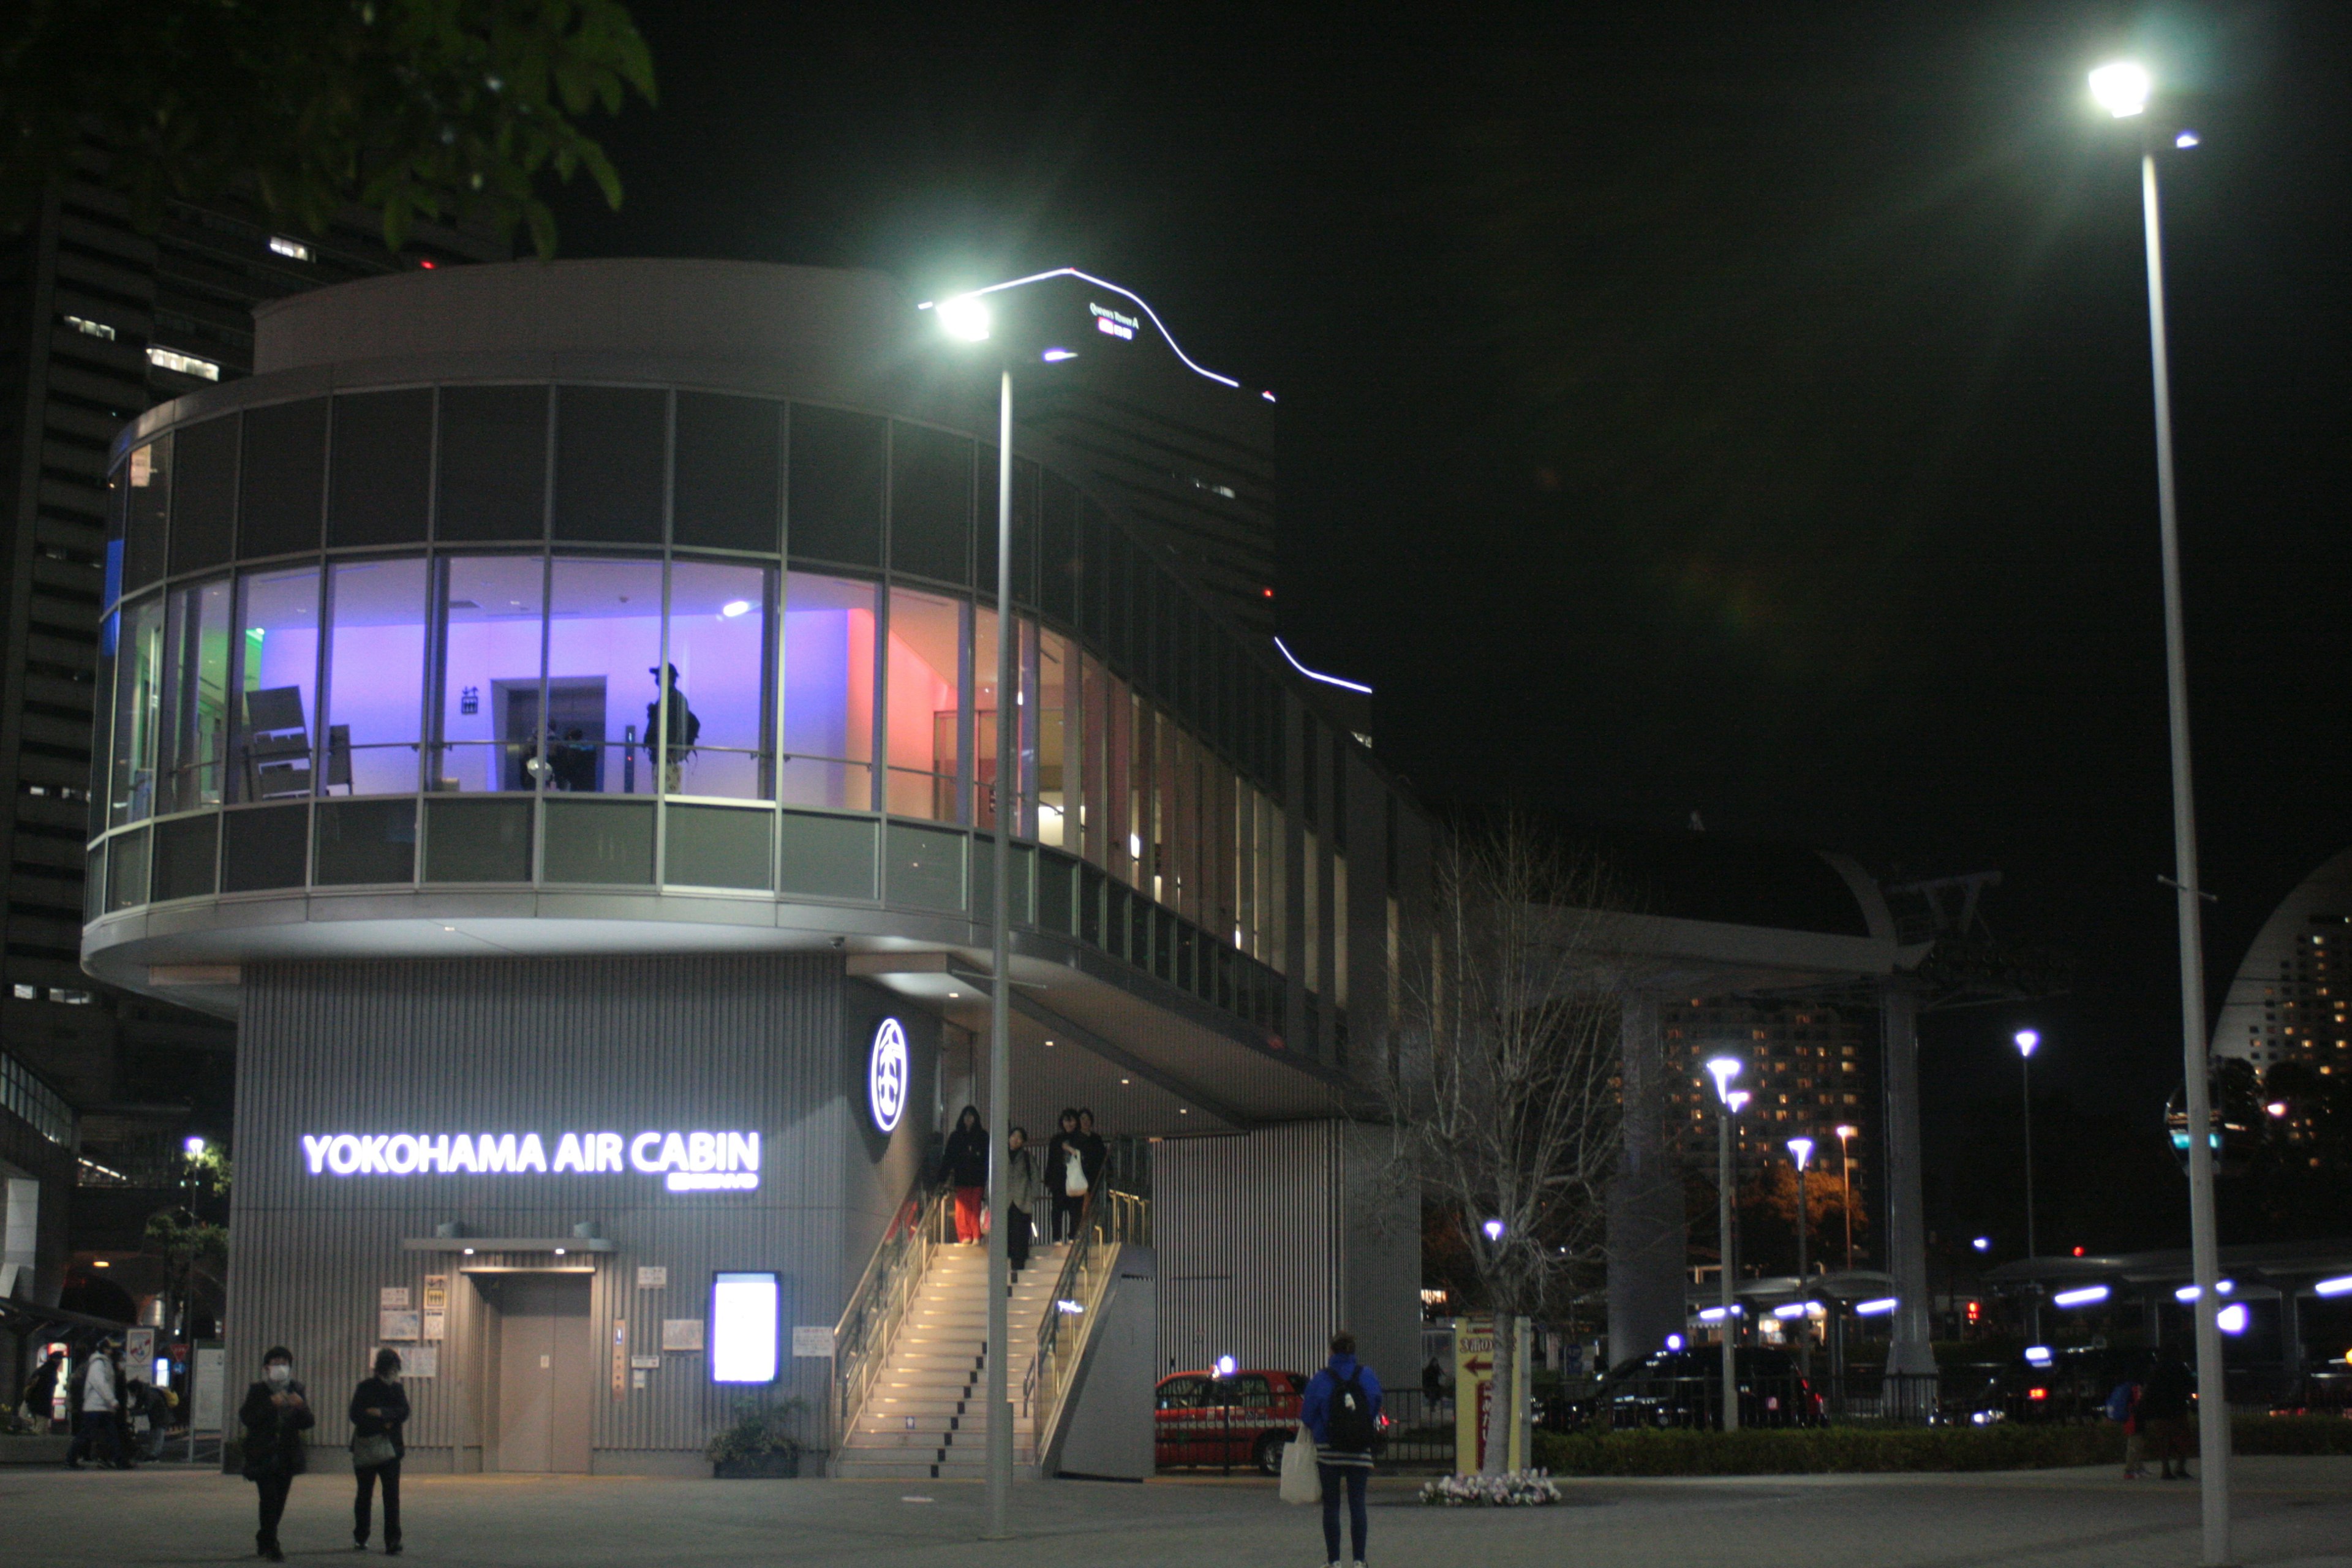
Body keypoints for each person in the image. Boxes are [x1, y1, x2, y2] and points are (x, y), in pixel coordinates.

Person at [1300, 1330, 1382, 1568]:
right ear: (1353, 1351)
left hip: (1329, 1449)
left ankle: (1334, 1561)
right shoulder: (1367, 1375)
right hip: (1359, 1449)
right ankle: (1359, 1560)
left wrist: (1322, 1429)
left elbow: (1307, 1415)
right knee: (1358, 1504)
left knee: (1332, 1506)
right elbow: (1375, 1404)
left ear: (1332, 1351)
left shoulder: (1321, 1379)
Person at [239, 1346, 315, 1561]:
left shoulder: (296, 1389)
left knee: (280, 1500)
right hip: (263, 1453)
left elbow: (309, 1422)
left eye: (285, 1364)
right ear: (266, 1368)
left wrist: (301, 1407)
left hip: (287, 1454)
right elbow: (247, 1418)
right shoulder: (258, 1391)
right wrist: (270, 1405)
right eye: (276, 1363)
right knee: (268, 1499)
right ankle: (272, 1545)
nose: (281, 1367)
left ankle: (265, 1537)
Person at [350, 1348, 410, 1555]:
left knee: (392, 1496)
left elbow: (404, 1412)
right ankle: (361, 1535)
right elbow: (356, 1415)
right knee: (364, 1495)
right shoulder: (365, 1388)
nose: (393, 1373)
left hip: (391, 1451)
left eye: (396, 1369)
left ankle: (393, 1540)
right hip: (367, 1448)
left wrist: (382, 1413)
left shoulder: (397, 1389)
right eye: (391, 1368)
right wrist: (384, 1423)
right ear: (381, 1369)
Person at [64, 1338, 126, 1469]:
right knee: (89, 1434)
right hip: (96, 1407)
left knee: (109, 1435)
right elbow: (100, 1383)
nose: (113, 1351)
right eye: (111, 1348)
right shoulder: (98, 1364)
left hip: (101, 1407)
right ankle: (70, 1459)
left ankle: (119, 1461)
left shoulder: (105, 1363)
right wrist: (112, 1401)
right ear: (105, 1349)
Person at [2138, 1352, 2195, 1480]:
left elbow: (2148, 1391)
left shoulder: (2156, 1370)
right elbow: (2191, 1384)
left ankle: (2166, 1469)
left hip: (2159, 1410)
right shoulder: (2180, 1368)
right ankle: (2180, 1466)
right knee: (2182, 1438)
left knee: (2163, 1440)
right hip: (2177, 1408)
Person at [644, 663, 701, 793]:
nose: (657, 679)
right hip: (663, 754)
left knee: (668, 793)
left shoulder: (675, 699)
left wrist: (671, 750)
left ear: (668, 677)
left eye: (659, 675)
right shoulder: (668, 698)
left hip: (668, 754)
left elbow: (676, 728)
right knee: (663, 791)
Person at [939, 1105, 989, 1244]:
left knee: (975, 1207)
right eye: (966, 1116)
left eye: (971, 1116)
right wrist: (942, 1178)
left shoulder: (983, 1136)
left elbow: (987, 1159)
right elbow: (948, 1158)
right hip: (962, 1178)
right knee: (962, 1208)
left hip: (978, 1178)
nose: (968, 1119)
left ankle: (976, 1235)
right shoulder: (956, 1137)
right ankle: (965, 1235)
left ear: (976, 1118)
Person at [1005, 1125, 1041, 1276]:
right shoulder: (1001, 1155)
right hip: (1005, 1201)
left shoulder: (1027, 1157)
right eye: (1013, 1136)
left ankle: (1018, 1265)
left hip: (1022, 1200)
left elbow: (1035, 1178)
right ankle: (1007, 1264)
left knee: (1020, 1232)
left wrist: (1033, 1197)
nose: (1016, 1139)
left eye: (1019, 1137)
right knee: (1007, 1233)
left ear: (1023, 1142)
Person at [1044, 1109, 1085, 1242]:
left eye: (1072, 1120)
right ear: (1062, 1122)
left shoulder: (1081, 1138)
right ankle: (1057, 1238)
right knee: (1057, 1210)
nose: (1069, 1124)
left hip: (1075, 1178)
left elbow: (1084, 1158)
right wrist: (1049, 1180)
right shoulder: (1056, 1140)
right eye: (1066, 1120)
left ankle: (1073, 1235)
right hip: (1059, 1180)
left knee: (1076, 1210)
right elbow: (1051, 1160)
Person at [21, 1348, 65, 1433]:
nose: (61, 1361)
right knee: (40, 1430)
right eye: (60, 1359)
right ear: (55, 1360)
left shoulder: (42, 1370)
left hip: (35, 1403)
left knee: (41, 1429)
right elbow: (46, 1391)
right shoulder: (50, 1371)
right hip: (42, 1405)